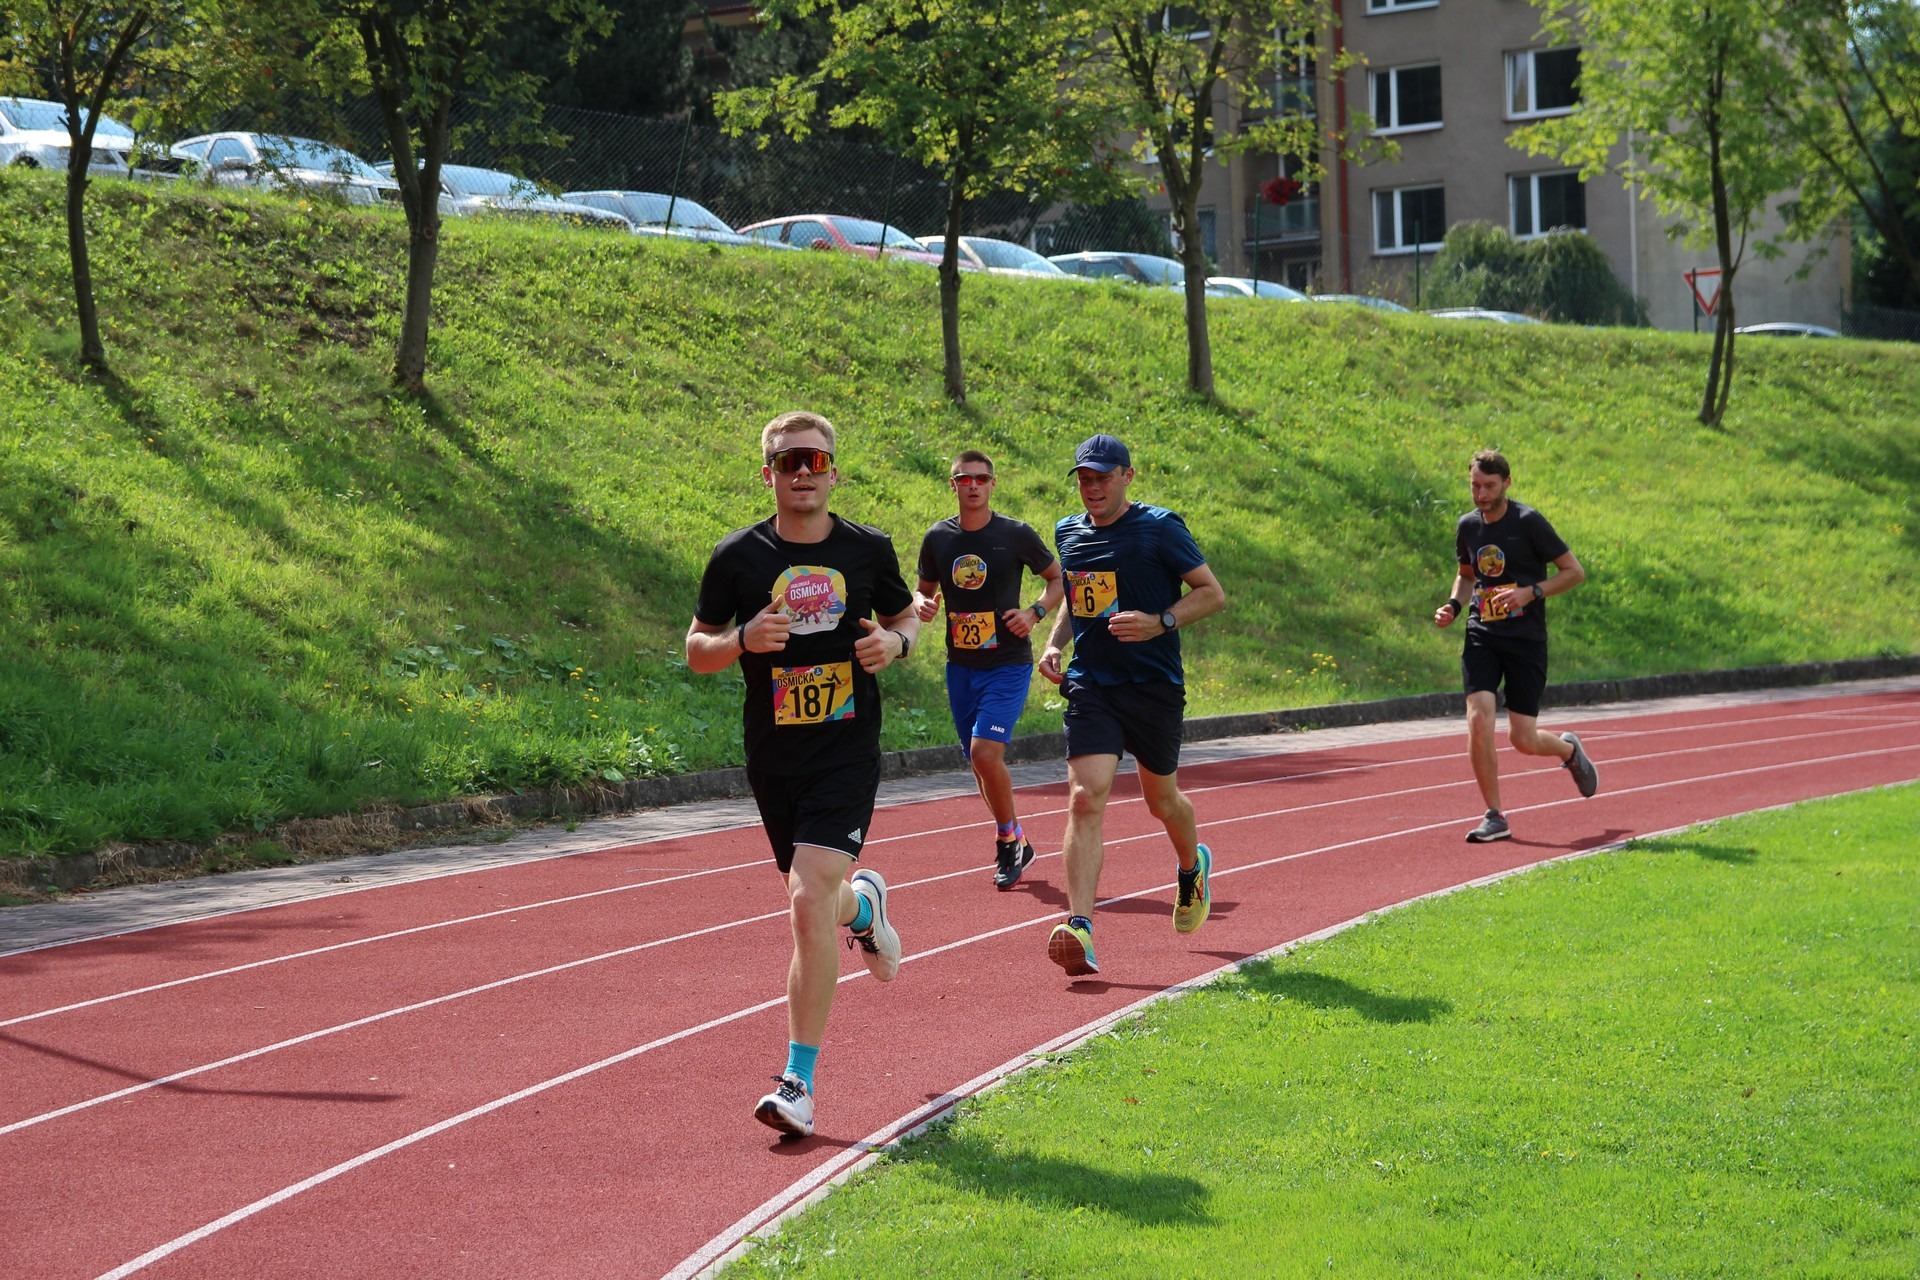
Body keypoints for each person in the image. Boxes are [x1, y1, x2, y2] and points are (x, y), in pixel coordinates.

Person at [685, 410, 922, 1139]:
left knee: (804, 898)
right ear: (769, 475)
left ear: (833, 472)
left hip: (846, 750)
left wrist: (896, 644)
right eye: (789, 462)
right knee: (821, 900)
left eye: (814, 461)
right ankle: (864, 910)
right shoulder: (738, 556)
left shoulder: (867, 548)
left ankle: (798, 1082)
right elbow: (697, 649)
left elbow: (907, 616)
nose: (803, 473)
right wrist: (742, 639)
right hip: (775, 756)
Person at [1036, 433, 1227, 977]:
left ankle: (1191, 866)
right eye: (1084, 479)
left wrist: (1159, 622)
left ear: (1127, 476)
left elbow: (1211, 593)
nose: (1092, 487)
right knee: (1084, 798)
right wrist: (1055, 643)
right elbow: (1076, 597)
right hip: (1092, 684)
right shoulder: (1068, 532)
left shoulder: (1161, 527)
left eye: (1102, 477)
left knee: (1161, 801)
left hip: (1153, 687)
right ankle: (1080, 927)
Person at [915, 450, 1065, 889]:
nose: (974, 486)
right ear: (954, 485)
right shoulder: (938, 538)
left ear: (993, 484)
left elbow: (1058, 579)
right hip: (961, 666)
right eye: (965, 479)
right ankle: (1018, 837)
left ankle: (1006, 840)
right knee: (978, 762)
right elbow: (921, 591)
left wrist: (1035, 613)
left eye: (981, 479)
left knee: (985, 753)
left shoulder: (1015, 534)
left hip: (1007, 663)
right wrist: (921, 604)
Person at [1433, 448, 1599, 842]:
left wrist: (1531, 592)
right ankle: (1495, 815)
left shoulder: (1528, 522)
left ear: (1507, 483)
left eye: (1489, 486)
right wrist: (1454, 605)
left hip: (1525, 640)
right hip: (1482, 633)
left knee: (1522, 738)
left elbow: (1574, 572)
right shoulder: (1468, 526)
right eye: (1475, 485)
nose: (1481, 494)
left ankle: (1568, 751)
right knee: (1478, 719)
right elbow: (1467, 575)